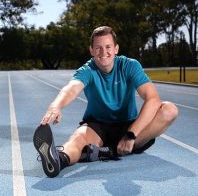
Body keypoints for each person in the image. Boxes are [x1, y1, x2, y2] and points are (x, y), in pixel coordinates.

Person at [33, 26, 178, 178]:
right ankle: (58, 159)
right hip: (98, 125)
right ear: (91, 50)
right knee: (78, 138)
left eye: (108, 47)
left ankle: (107, 151)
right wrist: (56, 106)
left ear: (116, 49)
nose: (103, 53)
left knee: (169, 110)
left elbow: (153, 99)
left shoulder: (129, 66)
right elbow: (71, 89)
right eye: (98, 48)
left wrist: (131, 134)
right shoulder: (87, 70)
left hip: (129, 127)